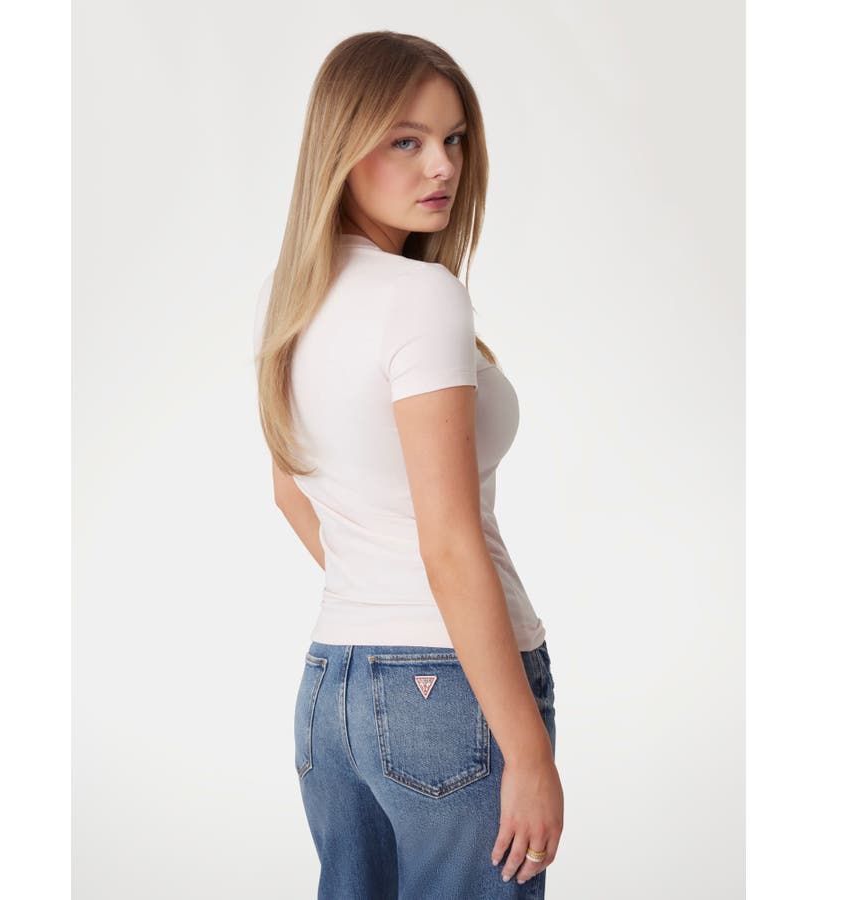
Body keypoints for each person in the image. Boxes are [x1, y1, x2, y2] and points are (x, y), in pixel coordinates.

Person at [253, 30, 564, 899]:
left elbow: (288, 490)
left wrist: (378, 589)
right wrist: (528, 756)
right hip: (448, 690)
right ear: (341, 145)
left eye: (453, 138)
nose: (442, 166)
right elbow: (450, 544)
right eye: (406, 140)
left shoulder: (293, 298)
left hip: (333, 686)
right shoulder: (423, 298)